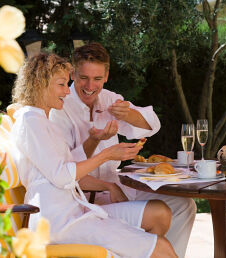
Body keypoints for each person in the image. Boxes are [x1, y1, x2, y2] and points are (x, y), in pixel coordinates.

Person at [11, 53, 177, 257]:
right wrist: (106, 155)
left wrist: (97, 142)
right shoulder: (30, 121)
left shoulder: (42, 122)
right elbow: (63, 175)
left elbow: (70, 168)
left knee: (159, 223)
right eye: (62, 84)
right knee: (161, 248)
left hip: (75, 212)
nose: (67, 91)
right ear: (39, 84)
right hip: (58, 223)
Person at [49, 43, 196, 258]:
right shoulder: (60, 107)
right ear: (72, 73)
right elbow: (65, 171)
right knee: (159, 213)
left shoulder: (109, 99)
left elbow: (152, 124)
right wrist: (95, 145)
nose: (90, 86)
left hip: (118, 187)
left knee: (184, 205)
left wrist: (128, 116)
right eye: (83, 78)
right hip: (84, 198)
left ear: (106, 76)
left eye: (97, 79)